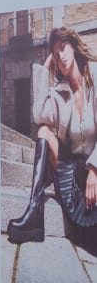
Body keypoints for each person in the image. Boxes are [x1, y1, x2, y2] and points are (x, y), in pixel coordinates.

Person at [6, 26, 97, 254]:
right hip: (71, 173)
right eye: (56, 54)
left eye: (63, 48)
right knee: (45, 130)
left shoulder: (94, 80)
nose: (61, 56)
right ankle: (34, 212)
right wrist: (45, 68)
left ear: (74, 46)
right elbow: (39, 116)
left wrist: (94, 169)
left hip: (93, 171)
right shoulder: (60, 93)